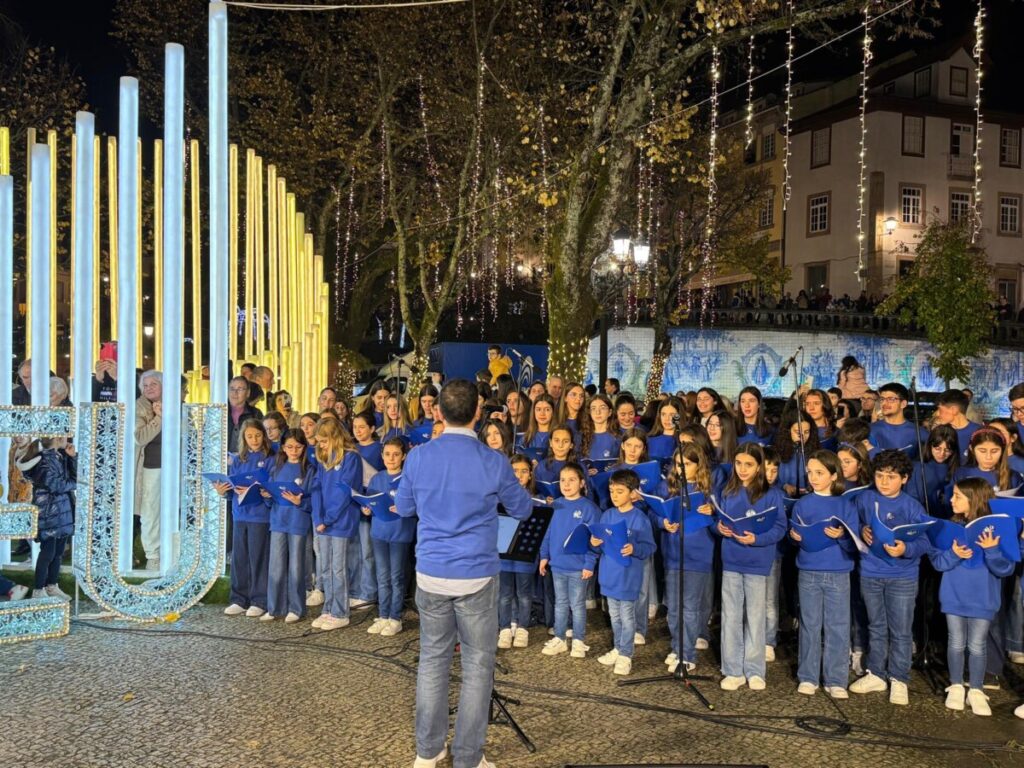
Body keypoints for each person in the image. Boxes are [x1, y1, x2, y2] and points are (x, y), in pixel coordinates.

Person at [394, 378, 532, 768]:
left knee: (433, 661)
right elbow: (522, 509)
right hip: (476, 574)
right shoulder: (493, 460)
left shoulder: (419, 457)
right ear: (477, 412)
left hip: (432, 573)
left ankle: (427, 752)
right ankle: (468, 758)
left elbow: (404, 508)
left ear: (438, 412)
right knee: (476, 666)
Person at [850, 450, 931, 705]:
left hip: (902, 576)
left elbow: (925, 539)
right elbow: (854, 525)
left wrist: (905, 549)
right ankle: (876, 673)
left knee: (901, 630)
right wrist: (862, 530)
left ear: (904, 479)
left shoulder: (912, 506)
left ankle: (899, 678)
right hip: (871, 571)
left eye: (891, 477)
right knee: (875, 625)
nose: (884, 482)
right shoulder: (864, 498)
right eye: (880, 475)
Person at [932, 478, 1015, 716]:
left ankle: (976, 689)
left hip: (983, 599)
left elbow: (1004, 569)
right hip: (954, 597)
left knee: (977, 645)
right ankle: (956, 685)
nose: (951, 500)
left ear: (974, 499)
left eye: (957, 496)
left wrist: (992, 549)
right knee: (956, 642)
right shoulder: (949, 528)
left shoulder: (996, 530)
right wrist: (953, 553)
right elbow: (938, 563)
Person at [715, 443, 787, 691]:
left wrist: (758, 539)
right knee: (731, 615)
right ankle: (733, 669)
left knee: (755, 617)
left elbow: (780, 528)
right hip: (732, 560)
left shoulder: (772, 494)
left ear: (759, 466)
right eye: (738, 463)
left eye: (748, 464)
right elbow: (720, 519)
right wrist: (720, 528)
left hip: (758, 561)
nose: (742, 469)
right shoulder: (728, 490)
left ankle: (755, 669)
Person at [789, 450, 859, 699]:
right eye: (810, 472)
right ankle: (808, 676)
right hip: (808, 570)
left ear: (833, 475)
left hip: (838, 571)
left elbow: (855, 544)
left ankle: (836, 678)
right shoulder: (802, 504)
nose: (813, 477)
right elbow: (796, 535)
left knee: (838, 626)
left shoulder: (845, 504)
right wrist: (795, 537)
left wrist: (842, 537)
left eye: (819, 473)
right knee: (809, 625)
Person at [590, 469, 656, 677]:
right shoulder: (607, 514)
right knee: (614, 616)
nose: (614, 495)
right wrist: (594, 543)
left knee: (627, 617)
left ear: (633, 493)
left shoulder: (640, 519)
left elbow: (649, 547)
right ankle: (618, 648)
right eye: (611, 491)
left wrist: (634, 549)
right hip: (609, 576)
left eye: (620, 491)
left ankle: (626, 654)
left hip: (628, 577)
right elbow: (599, 545)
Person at [663, 443, 716, 673]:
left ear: (698, 465)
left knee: (690, 608)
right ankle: (677, 648)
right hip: (674, 555)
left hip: (698, 557)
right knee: (674, 608)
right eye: (678, 464)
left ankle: (688, 654)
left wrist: (713, 513)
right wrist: (662, 522)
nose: (681, 469)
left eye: (687, 464)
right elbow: (657, 514)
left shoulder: (709, 492)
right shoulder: (669, 489)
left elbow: (719, 527)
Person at [538, 462, 599, 658]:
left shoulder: (589, 508)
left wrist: (589, 564)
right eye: (563, 480)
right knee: (561, 603)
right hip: (558, 566)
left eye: (572, 480)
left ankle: (579, 641)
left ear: (582, 483)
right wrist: (544, 556)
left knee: (577, 604)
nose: (566, 484)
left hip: (578, 567)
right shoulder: (555, 505)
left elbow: (595, 540)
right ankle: (560, 638)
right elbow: (547, 534)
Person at [261, 429, 318, 624]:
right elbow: (269, 494)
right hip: (278, 521)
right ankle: (275, 607)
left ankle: (296, 607)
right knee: (275, 565)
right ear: (283, 448)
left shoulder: (309, 470)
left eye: (298, 447)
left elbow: (313, 500)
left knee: (296, 566)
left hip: (298, 522)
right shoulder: (277, 468)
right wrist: (267, 497)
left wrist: (299, 502)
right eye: (289, 447)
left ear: (304, 448)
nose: (294, 450)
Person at [311, 419, 363, 632]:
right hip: (323, 522)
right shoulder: (323, 459)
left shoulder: (352, 458)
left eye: (324, 441)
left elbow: (345, 492)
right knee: (325, 567)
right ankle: (329, 607)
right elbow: (316, 488)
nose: (321, 445)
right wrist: (318, 517)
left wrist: (328, 519)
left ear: (335, 438)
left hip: (340, 522)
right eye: (319, 442)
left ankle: (340, 612)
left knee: (338, 568)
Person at [219, 419, 274, 617]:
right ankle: (238, 598)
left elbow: (271, 487)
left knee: (257, 558)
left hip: (260, 515)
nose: (254, 440)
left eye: (258, 435)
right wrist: (223, 491)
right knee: (239, 557)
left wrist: (259, 492)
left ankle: (259, 599)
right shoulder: (238, 459)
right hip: (239, 513)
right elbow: (231, 487)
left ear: (264, 435)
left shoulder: (270, 458)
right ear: (244, 437)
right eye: (250, 436)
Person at [14, 435, 76, 599]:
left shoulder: (60, 456)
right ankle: (39, 589)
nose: (68, 439)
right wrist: (74, 483)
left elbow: (72, 477)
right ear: (56, 439)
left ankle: (51, 586)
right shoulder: (44, 461)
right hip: (49, 512)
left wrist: (71, 459)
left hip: (62, 510)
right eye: (64, 436)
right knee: (48, 552)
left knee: (58, 552)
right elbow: (58, 485)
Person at [365, 437, 415, 637]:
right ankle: (383, 614)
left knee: (396, 577)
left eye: (396, 454)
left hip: (399, 534)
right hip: (379, 532)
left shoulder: (408, 479)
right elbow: (370, 501)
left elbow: (416, 506)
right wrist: (366, 508)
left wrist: (404, 508)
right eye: (387, 454)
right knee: (382, 576)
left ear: (403, 456)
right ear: (382, 455)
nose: (391, 458)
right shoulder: (377, 478)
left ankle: (395, 617)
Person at [497, 454, 539, 650]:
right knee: (504, 594)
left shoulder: (536, 501)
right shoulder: (499, 500)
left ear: (530, 475)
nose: (519, 475)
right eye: (515, 471)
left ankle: (523, 628)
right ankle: (505, 627)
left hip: (525, 557)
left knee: (524, 594)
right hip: (503, 558)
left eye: (524, 471)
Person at [134, 370, 164, 572]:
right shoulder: (139, 407)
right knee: (150, 512)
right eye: (145, 385)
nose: (149, 388)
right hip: (150, 466)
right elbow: (140, 437)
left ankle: (170, 551)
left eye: (153, 384)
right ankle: (152, 555)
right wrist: (159, 418)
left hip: (174, 466)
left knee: (171, 511)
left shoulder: (176, 403)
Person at [869, 383, 923, 459]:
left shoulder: (918, 432)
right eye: (882, 399)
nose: (884, 403)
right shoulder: (869, 429)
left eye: (891, 399)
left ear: (903, 404)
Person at [933, 389, 981, 461]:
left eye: (940, 410)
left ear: (954, 410)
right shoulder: (939, 431)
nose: (937, 414)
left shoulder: (979, 433)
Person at [227, 376, 263, 454]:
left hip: (247, 462)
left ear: (248, 393)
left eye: (240, 389)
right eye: (232, 389)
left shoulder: (255, 414)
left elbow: (262, 441)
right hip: (220, 463)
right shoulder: (219, 412)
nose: (235, 393)